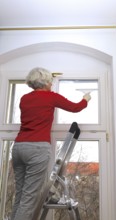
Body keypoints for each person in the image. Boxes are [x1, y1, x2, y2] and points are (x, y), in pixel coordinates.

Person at [11, 67, 91, 220]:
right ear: (46, 82)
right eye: (51, 82)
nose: (52, 84)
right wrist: (86, 99)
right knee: (29, 200)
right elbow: (75, 107)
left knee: (20, 196)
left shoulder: (24, 99)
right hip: (37, 148)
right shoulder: (50, 97)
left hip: (18, 148)